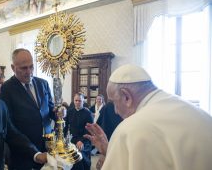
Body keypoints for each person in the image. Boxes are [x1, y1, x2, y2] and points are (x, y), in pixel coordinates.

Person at [84, 64, 212, 170]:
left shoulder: (129, 130)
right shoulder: (200, 114)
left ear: (126, 97)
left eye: (114, 103)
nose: (116, 111)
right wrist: (111, 151)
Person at [0, 48, 56, 170]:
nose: (29, 72)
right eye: (24, 68)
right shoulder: (5, 90)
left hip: (48, 147)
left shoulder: (43, 83)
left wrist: (60, 112)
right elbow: (9, 127)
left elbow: (51, 110)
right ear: (13, 67)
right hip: (23, 153)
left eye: (31, 67)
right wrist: (33, 152)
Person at [64, 93, 93, 170]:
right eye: (76, 100)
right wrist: (62, 139)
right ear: (73, 101)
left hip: (85, 140)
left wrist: (81, 141)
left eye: (79, 101)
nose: (77, 102)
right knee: (68, 155)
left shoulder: (88, 113)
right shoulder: (69, 112)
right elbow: (65, 127)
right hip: (73, 139)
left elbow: (90, 130)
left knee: (79, 155)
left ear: (83, 101)